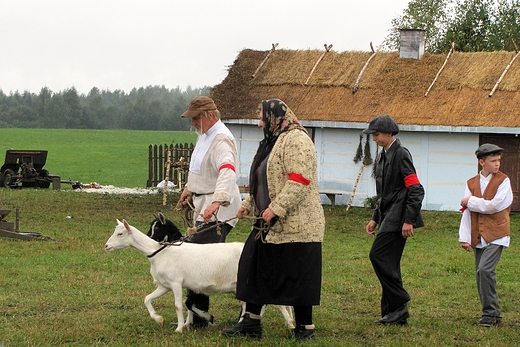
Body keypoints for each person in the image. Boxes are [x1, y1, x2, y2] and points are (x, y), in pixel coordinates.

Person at [221, 99, 325, 340]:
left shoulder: (297, 140)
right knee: (252, 265)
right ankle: (251, 323)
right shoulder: (272, 140)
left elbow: (300, 179)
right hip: (267, 221)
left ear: (275, 117)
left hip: (298, 223)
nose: (259, 123)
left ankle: (304, 329)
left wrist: (276, 208)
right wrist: (249, 204)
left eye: (262, 118)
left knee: (297, 274)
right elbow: (263, 178)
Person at [178, 96, 242, 327]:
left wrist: (216, 202)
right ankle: (197, 313)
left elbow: (227, 171)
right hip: (203, 205)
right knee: (195, 257)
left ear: (209, 115)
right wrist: (188, 188)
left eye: (196, 118)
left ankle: (199, 315)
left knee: (199, 259)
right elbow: (201, 169)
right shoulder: (205, 137)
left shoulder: (221, 139)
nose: (193, 123)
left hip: (218, 210)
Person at [363, 114, 424, 325]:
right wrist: (374, 218)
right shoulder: (383, 156)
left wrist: (409, 220)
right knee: (389, 264)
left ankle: (400, 302)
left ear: (390, 133)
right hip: (387, 217)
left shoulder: (401, 154)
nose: (374, 139)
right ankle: (394, 313)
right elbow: (384, 194)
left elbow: (415, 189)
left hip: (399, 219)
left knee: (378, 256)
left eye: (377, 134)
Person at [458, 143, 513, 327]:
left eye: (498, 160)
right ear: (482, 162)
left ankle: (490, 313)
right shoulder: (471, 183)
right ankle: (493, 315)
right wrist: (464, 237)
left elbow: (495, 206)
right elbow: (466, 211)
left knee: (485, 270)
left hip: (498, 233)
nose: (497, 164)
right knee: (480, 274)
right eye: (493, 161)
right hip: (479, 235)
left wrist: (471, 200)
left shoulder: (504, 181)